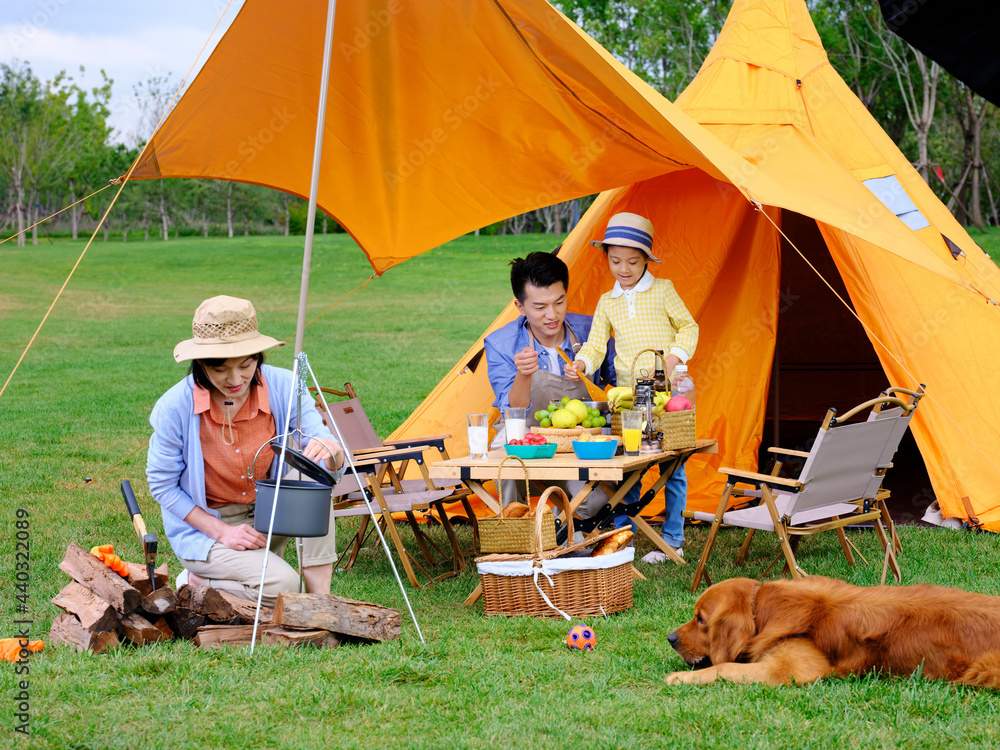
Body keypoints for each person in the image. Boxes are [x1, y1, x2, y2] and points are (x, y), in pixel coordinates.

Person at [147, 295, 345, 606]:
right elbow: (162, 486)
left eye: (246, 365)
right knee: (285, 587)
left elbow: (324, 448)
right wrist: (223, 532)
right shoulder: (175, 407)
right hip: (211, 528)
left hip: (270, 510)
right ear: (200, 364)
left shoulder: (285, 385)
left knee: (313, 480)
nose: (235, 379)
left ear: (259, 357)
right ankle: (198, 580)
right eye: (220, 369)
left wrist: (331, 450)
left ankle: (322, 600)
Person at [572, 212, 699, 562]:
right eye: (615, 261)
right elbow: (596, 345)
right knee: (632, 470)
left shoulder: (663, 290)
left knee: (673, 468)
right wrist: (582, 363)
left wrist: (671, 359)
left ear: (646, 260)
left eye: (632, 261)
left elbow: (689, 327)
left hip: (668, 395)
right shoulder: (607, 302)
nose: (623, 269)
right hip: (630, 400)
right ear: (606, 258)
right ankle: (625, 537)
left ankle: (673, 538)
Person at [484, 251, 615, 519]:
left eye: (559, 302)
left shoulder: (593, 330)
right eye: (540, 307)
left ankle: (554, 533)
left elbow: (618, 382)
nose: (552, 315)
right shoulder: (500, 343)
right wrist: (523, 375)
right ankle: (514, 535)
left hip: (582, 445)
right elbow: (514, 411)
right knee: (507, 463)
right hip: (528, 442)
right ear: (520, 307)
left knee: (593, 501)